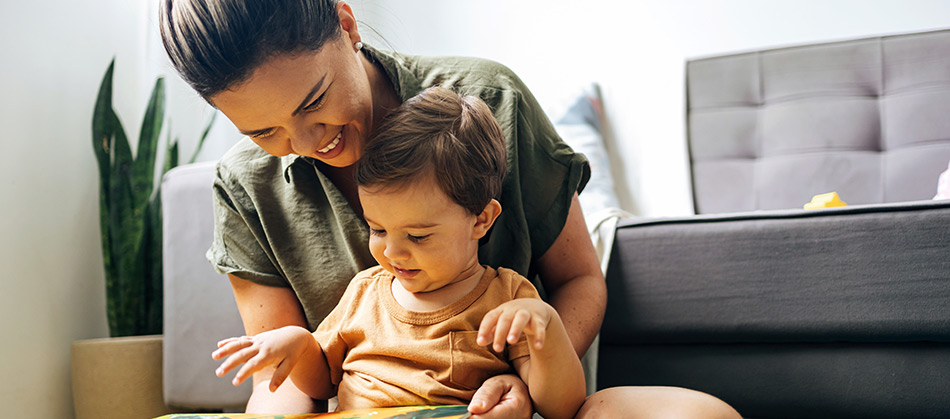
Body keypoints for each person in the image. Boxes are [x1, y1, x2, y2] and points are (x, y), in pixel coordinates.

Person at [159, 1, 741, 417]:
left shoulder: (490, 103)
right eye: (264, 130)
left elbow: (580, 280)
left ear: (346, 22)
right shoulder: (243, 186)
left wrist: (527, 383)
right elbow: (286, 377)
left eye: (314, 101)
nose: (308, 143)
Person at [212, 87, 587, 419]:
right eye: (377, 229)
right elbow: (322, 381)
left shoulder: (507, 300)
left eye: (418, 236)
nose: (392, 252)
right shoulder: (365, 292)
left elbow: (562, 407)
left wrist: (549, 330)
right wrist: (297, 345)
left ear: (481, 220)